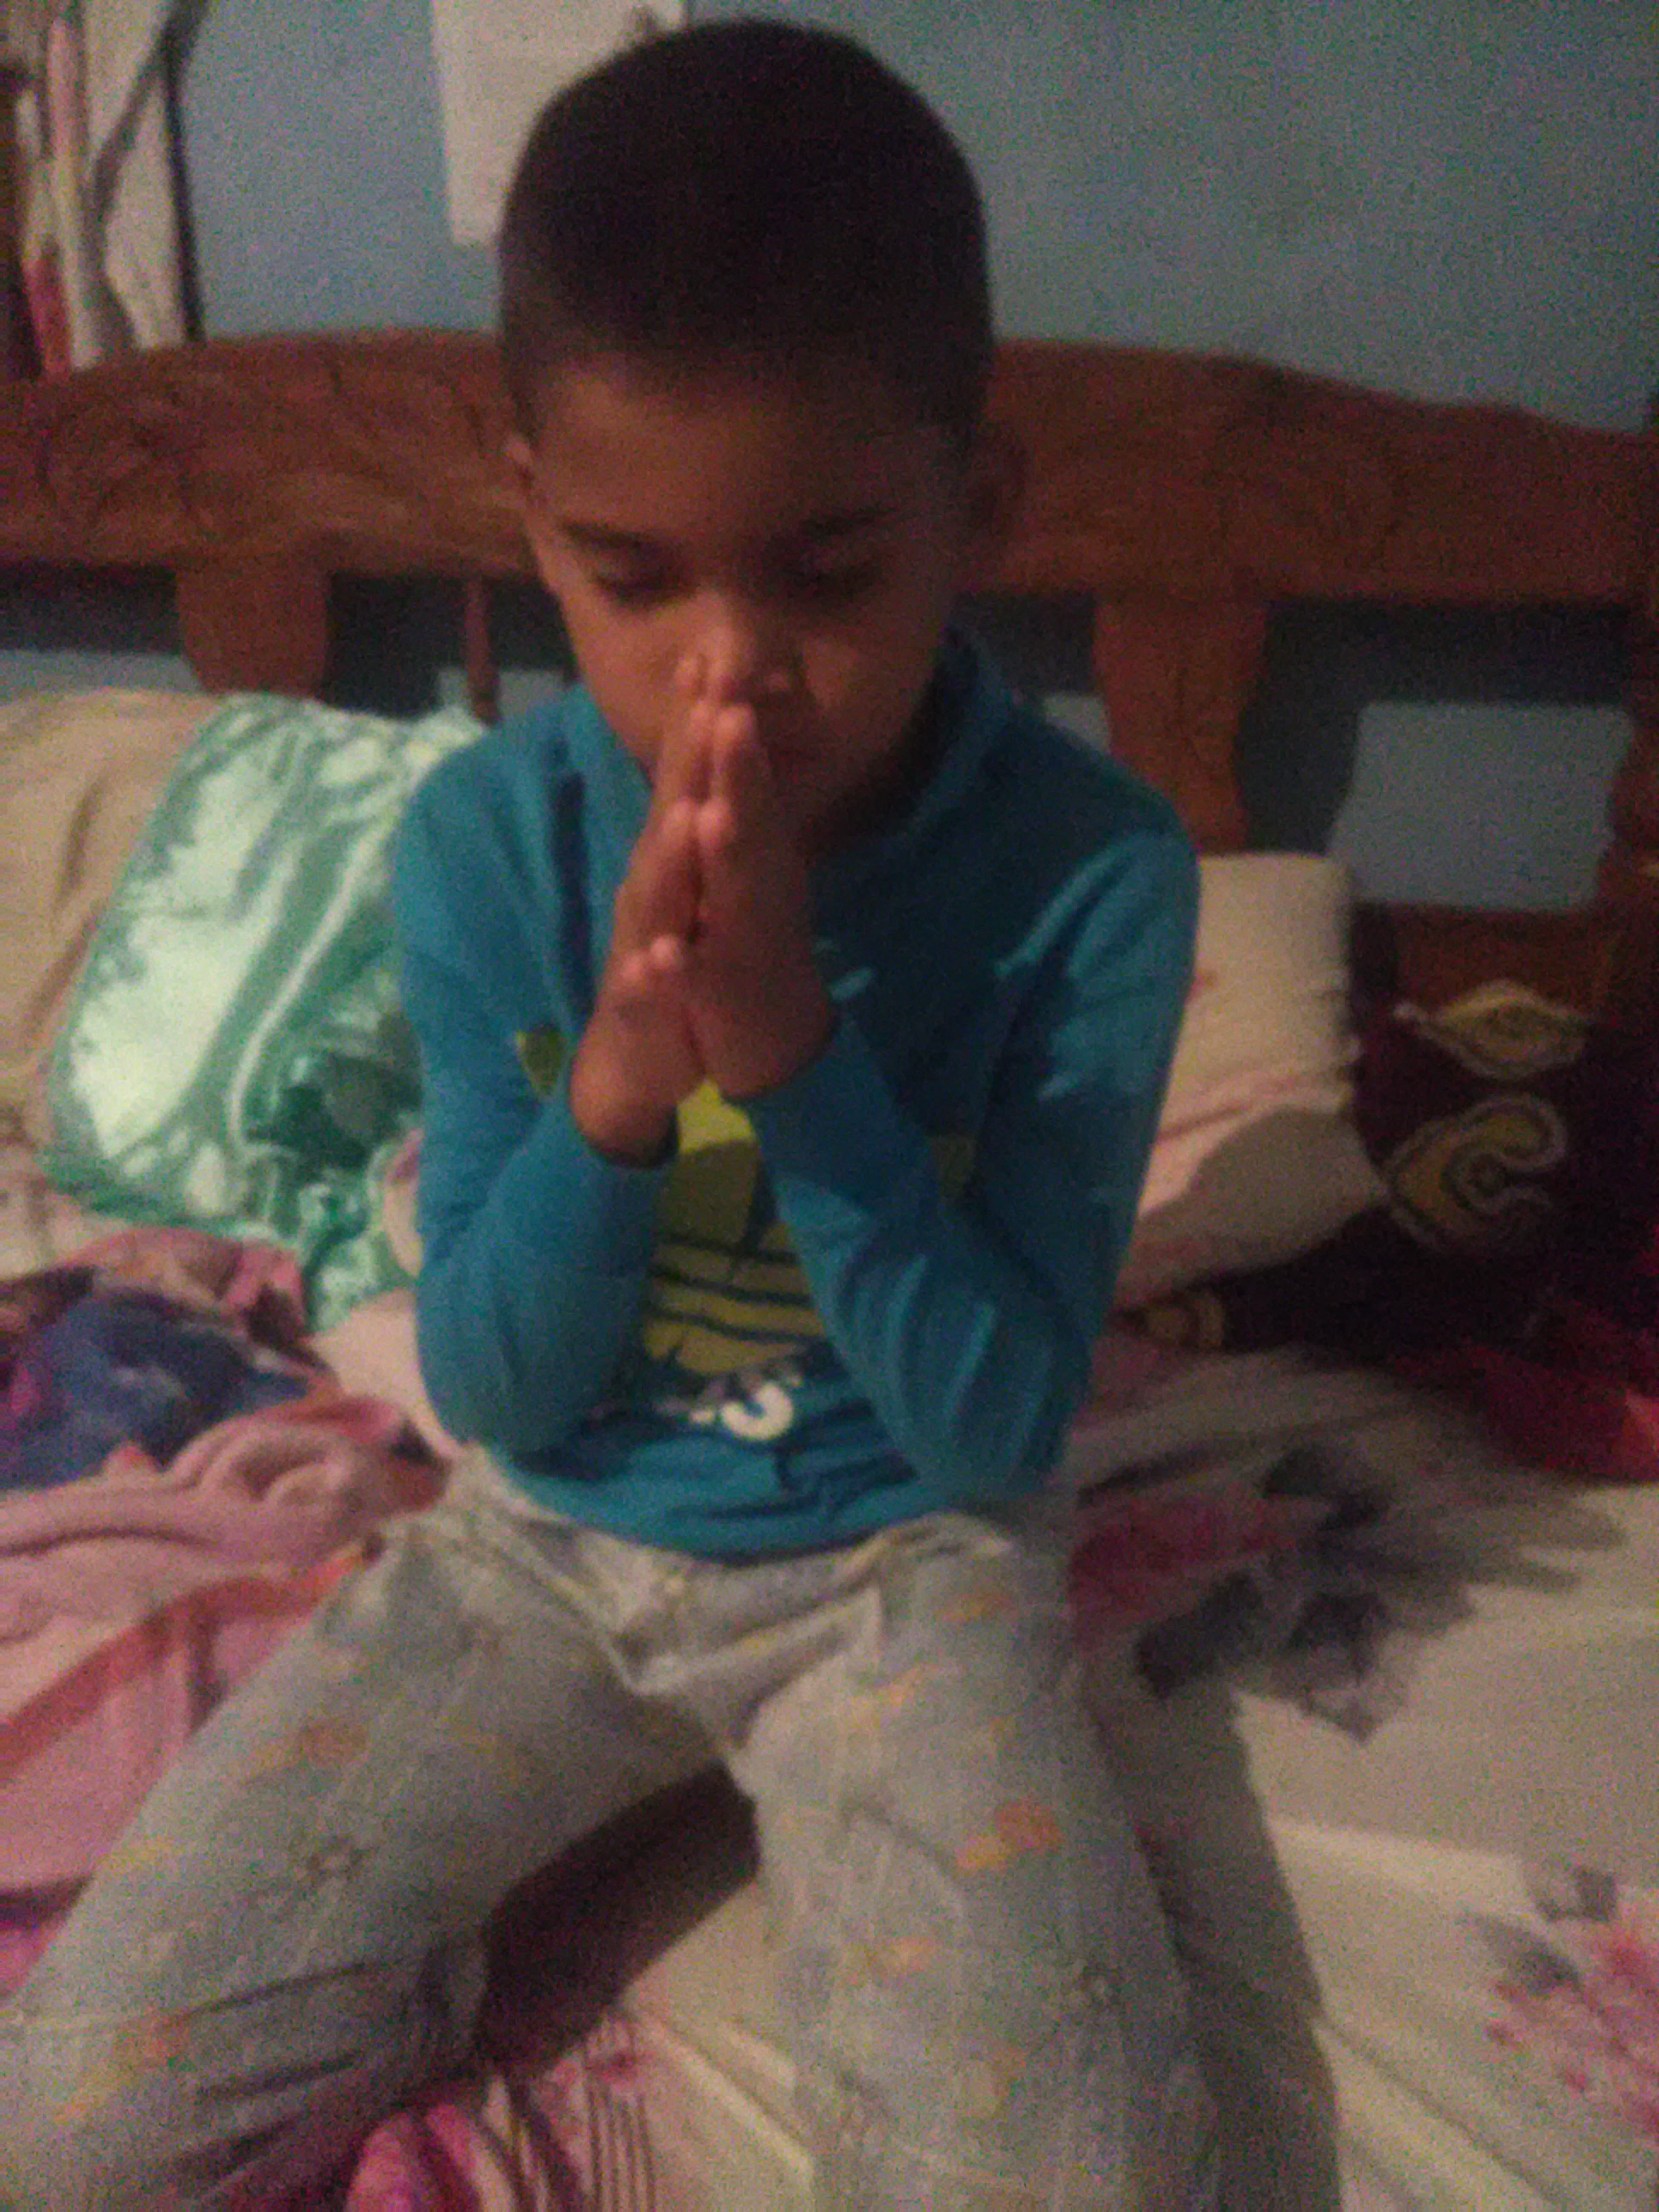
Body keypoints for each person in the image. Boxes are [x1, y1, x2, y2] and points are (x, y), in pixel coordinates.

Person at [1, 22, 1214, 2209]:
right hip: (551, 1541)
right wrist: (626, 1087)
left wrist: (798, 1067)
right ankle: (418, 1971)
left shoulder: (1092, 876)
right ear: (533, 521)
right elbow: (493, 1389)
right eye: (636, 581)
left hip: (900, 1569)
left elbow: (989, 1426)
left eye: (825, 574)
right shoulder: (488, 845)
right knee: (65, 2121)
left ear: (978, 509)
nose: (724, 671)